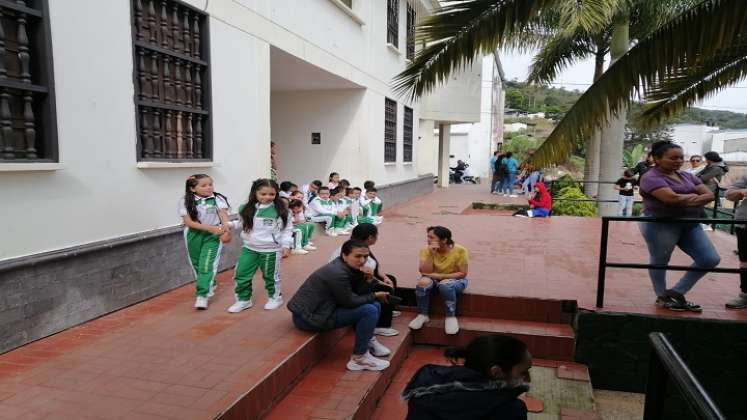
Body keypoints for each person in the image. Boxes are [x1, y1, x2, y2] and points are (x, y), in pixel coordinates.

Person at [638, 141, 720, 312]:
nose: (678, 161)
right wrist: (694, 197)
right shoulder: (650, 177)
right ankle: (662, 297)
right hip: (660, 224)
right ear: (657, 159)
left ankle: (676, 292)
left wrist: (684, 198)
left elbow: (710, 195)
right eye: (673, 158)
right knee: (660, 260)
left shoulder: (687, 176)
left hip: (690, 223)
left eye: (681, 157)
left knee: (709, 258)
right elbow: (670, 199)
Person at [288, 239, 393, 371]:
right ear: (344, 255)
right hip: (309, 318)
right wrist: (375, 294)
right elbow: (349, 301)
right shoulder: (337, 273)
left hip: (324, 309)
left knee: (374, 305)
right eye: (357, 256)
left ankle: (367, 342)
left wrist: (368, 280)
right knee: (369, 310)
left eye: (365, 256)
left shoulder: (349, 267)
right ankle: (359, 359)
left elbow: (356, 294)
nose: (362, 260)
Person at [402, 334, 531, 420]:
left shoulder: (427, 386)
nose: (528, 379)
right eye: (524, 372)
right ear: (497, 372)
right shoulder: (511, 411)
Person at [228, 179, 293, 313]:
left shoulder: (281, 211)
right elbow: (241, 223)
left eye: (271, 194)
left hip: (270, 250)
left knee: (270, 276)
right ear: (255, 193)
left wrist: (286, 245)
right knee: (241, 274)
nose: (267, 197)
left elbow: (287, 229)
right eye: (263, 194)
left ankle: (275, 298)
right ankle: (243, 300)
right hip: (249, 248)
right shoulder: (245, 208)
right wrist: (229, 225)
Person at [329, 224, 400, 336]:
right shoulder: (356, 249)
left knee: (391, 279)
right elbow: (364, 273)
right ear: (370, 237)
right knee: (385, 288)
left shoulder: (361, 246)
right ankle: (381, 325)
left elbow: (375, 267)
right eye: (376, 235)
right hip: (351, 282)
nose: (377, 237)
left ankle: (388, 309)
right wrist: (382, 282)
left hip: (361, 277)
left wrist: (385, 277)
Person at [179, 174, 232, 310]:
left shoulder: (217, 199)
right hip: (193, 235)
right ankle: (210, 282)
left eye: (210, 184)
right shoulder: (185, 201)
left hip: (212, 236)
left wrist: (226, 230)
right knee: (196, 263)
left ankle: (202, 295)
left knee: (206, 264)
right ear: (192, 189)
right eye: (204, 185)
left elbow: (223, 217)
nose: (209, 187)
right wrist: (210, 228)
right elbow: (189, 222)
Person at [409, 226, 469, 335]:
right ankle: (423, 315)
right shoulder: (425, 249)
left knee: (445, 285)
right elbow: (424, 271)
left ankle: (450, 316)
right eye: (428, 237)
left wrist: (441, 277)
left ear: (444, 240)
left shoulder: (460, 250)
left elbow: (462, 273)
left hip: (456, 280)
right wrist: (431, 255)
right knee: (422, 283)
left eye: (432, 237)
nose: (428, 240)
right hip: (434, 279)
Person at [725, 177, 747, 309]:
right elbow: (729, 194)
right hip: (745, 224)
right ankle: (745, 295)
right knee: (745, 261)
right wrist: (742, 192)